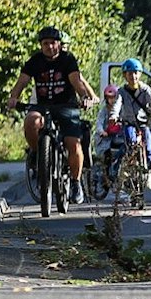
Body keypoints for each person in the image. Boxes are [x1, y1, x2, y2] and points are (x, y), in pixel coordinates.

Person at [6, 26, 96, 204]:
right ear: (41, 45)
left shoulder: (67, 59)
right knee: (31, 121)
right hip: (42, 106)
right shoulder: (34, 61)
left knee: (73, 143)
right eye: (45, 43)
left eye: (53, 43)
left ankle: (76, 183)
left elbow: (77, 82)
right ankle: (37, 155)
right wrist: (13, 98)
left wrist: (84, 97)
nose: (49, 47)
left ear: (59, 44)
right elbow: (22, 81)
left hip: (66, 106)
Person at [111, 58, 151, 190]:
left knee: (149, 150)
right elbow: (117, 104)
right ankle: (126, 169)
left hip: (143, 124)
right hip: (128, 123)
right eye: (129, 73)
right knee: (130, 142)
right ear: (125, 75)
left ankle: (147, 173)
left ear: (140, 74)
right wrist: (114, 116)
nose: (133, 76)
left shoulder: (145, 89)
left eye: (136, 73)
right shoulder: (122, 91)